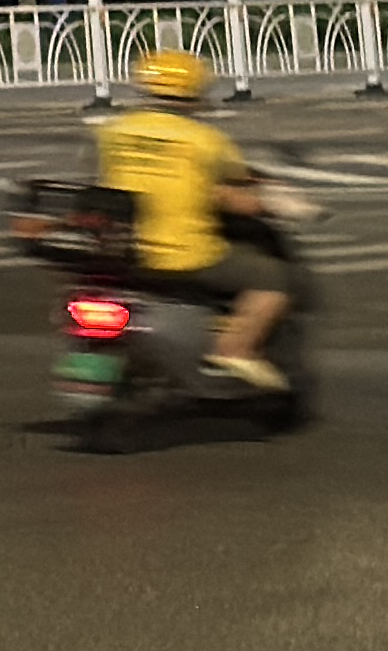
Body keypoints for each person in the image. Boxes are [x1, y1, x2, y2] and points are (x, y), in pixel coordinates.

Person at [91, 40, 294, 393]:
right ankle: (235, 349)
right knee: (273, 278)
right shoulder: (205, 140)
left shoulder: (113, 131)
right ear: (195, 93)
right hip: (184, 255)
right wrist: (267, 201)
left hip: (122, 251)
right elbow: (239, 186)